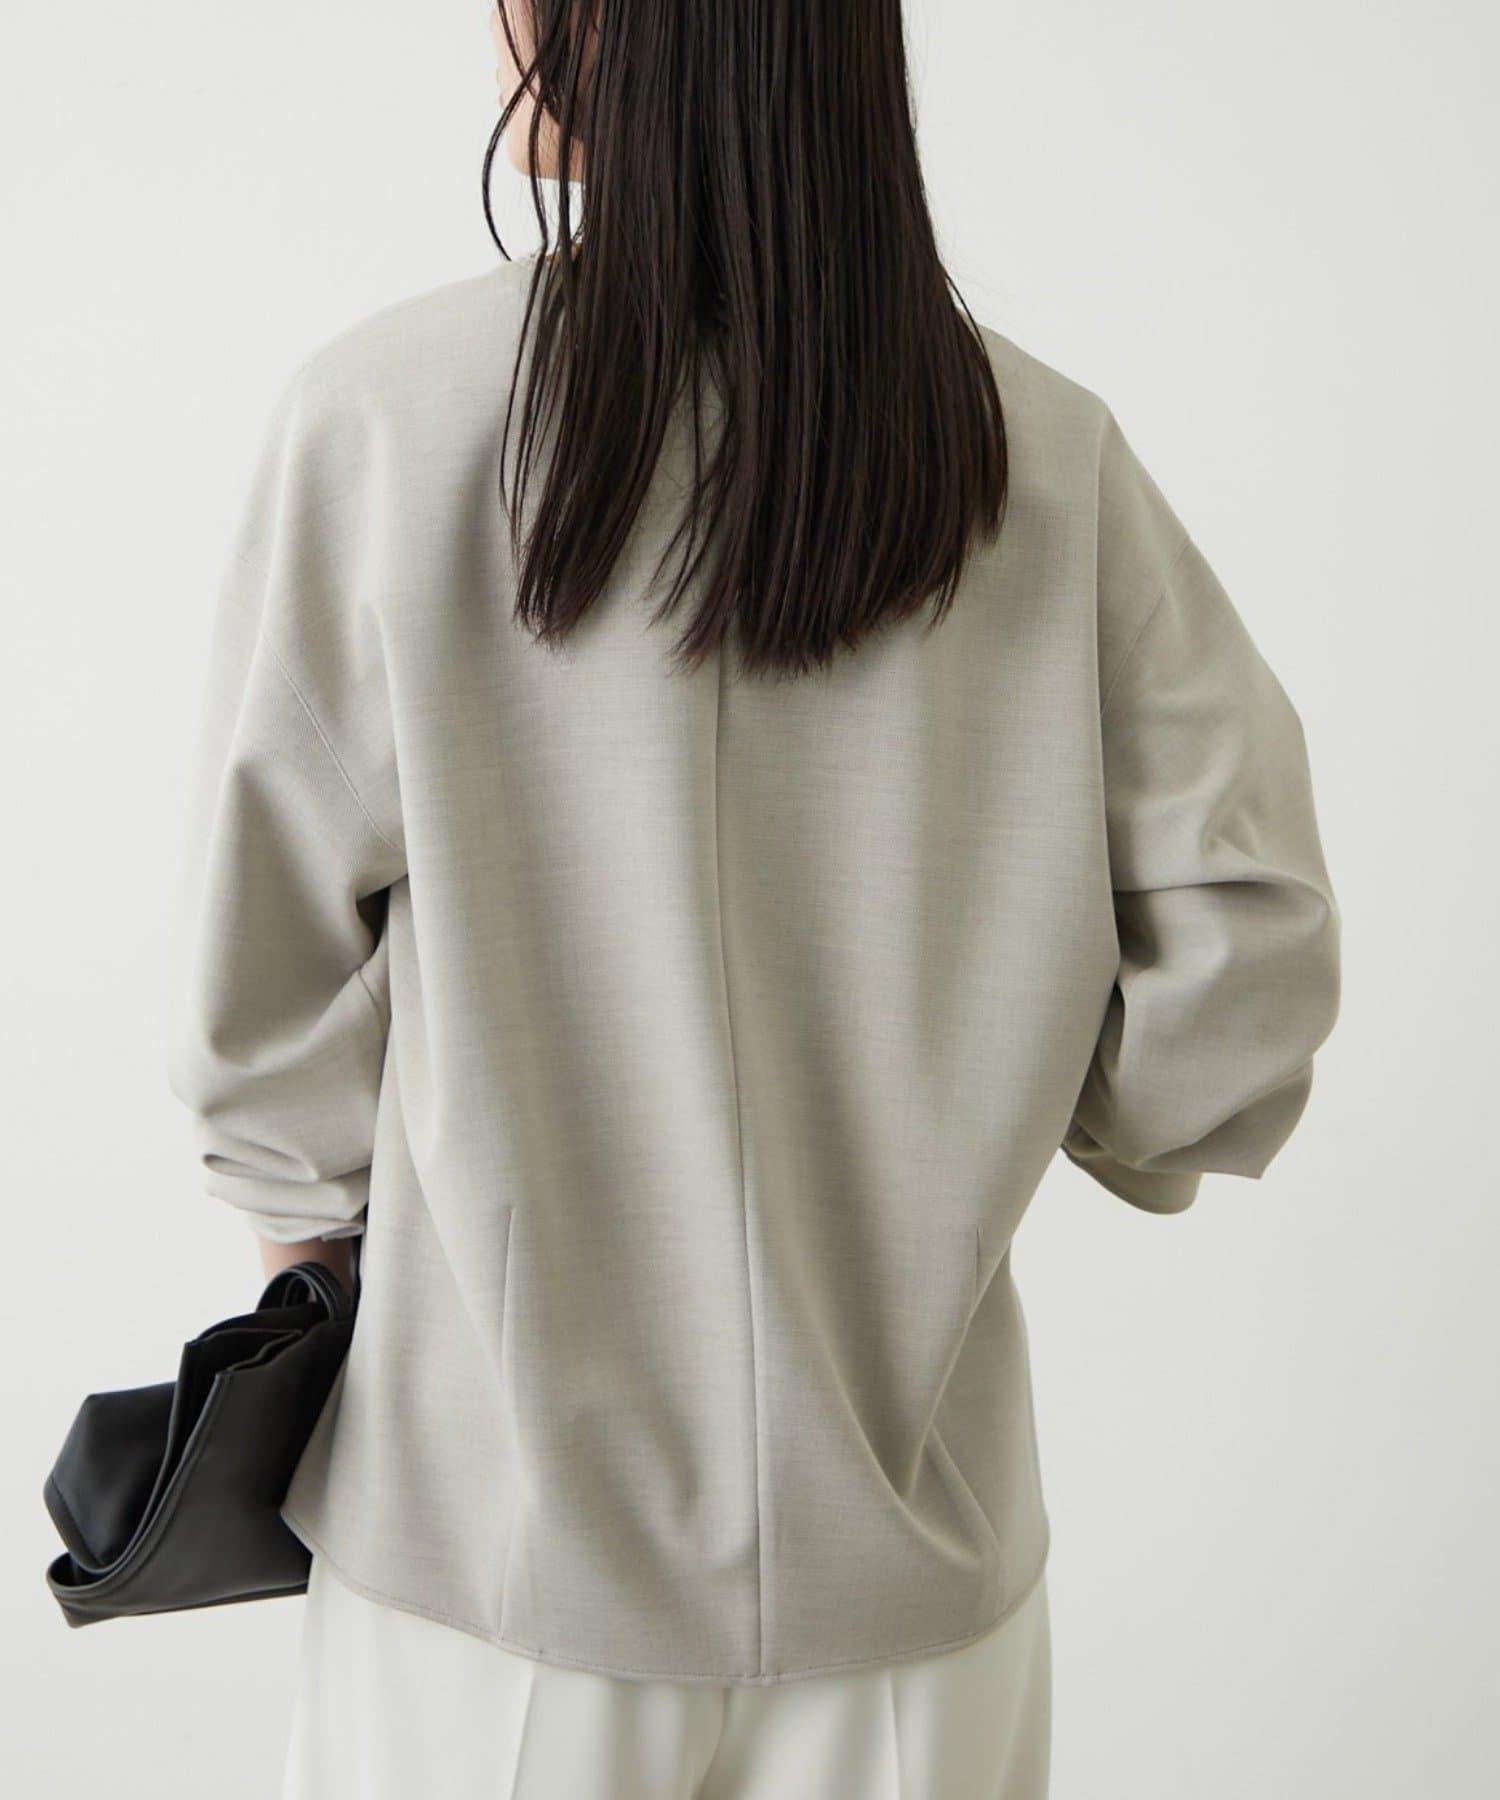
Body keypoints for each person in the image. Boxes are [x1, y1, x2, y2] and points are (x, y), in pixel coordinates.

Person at [168, 3, 1341, 1794]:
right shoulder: (1041, 454)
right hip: (915, 1582)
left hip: (489, 1580)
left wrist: (319, 1247)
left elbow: (262, 996)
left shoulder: (389, 419)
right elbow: (1243, 955)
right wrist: (1013, 1107)